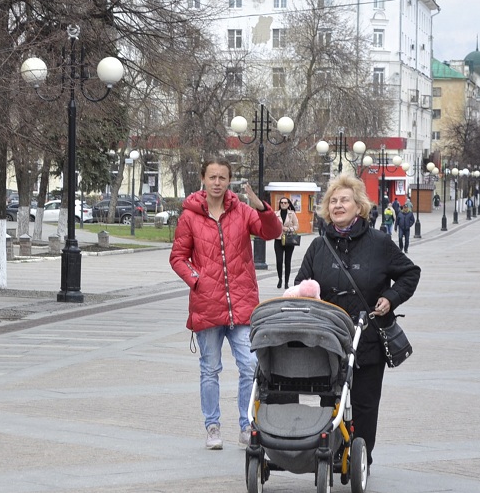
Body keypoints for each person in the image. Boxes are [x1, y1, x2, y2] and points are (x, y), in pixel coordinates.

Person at [294, 174, 420, 467]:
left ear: (358, 205)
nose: (338, 206)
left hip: (368, 338)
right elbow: (301, 283)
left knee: (365, 404)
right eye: (333, 201)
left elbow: (410, 273)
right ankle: (331, 451)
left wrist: (391, 297)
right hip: (327, 339)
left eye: (344, 200)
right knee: (329, 400)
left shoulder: (379, 242)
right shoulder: (318, 246)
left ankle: (361, 457)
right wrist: (307, 296)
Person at [170, 157, 282, 449]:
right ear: (204, 180)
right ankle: (212, 426)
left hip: (242, 305)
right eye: (213, 177)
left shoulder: (243, 212)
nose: (217, 182)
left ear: (229, 180)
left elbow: (272, 233)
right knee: (210, 368)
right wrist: (198, 281)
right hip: (207, 306)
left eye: (222, 177)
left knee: (250, 365)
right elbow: (178, 258)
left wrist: (262, 207)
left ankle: (246, 425)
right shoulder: (190, 216)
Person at [273, 197, 298, 289]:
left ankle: (286, 282)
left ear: (288, 204)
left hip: (289, 239)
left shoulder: (292, 214)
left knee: (287, 261)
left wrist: (289, 229)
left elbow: (296, 226)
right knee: (279, 261)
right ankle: (280, 279)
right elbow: (272, 225)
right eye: (281, 202)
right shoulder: (276, 214)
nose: (283, 204)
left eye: (285, 203)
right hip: (278, 239)